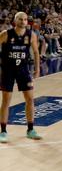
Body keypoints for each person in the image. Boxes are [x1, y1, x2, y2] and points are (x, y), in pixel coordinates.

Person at [0, 11, 42, 142]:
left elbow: (35, 52)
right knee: (6, 100)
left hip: (23, 70)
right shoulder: (5, 34)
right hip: (7, 71)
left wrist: (37, 68)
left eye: (25, 19)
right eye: (20, 19)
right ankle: (3, 131)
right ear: (15, 20)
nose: (23, 21)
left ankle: (30, 129)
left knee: (30, 99)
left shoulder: (31, 35)